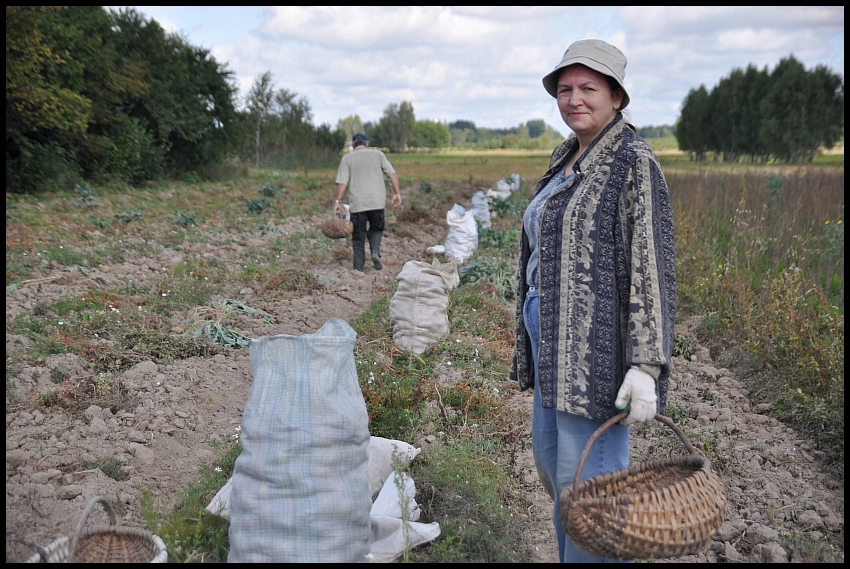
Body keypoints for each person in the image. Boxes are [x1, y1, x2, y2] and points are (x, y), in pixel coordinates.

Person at [510, 39, 677, 563]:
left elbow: (652, 264)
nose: (574, 99)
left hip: (594, 349)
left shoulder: (633, 161)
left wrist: (647, 366)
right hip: (550, 338)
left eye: (589, 88)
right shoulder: (565, 156)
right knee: (554, 471)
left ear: (617, 97)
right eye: (565, 89)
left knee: (590, 489)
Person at [334, 132, 402, 271]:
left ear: (353, 146)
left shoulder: (347, 158)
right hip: (377, 202)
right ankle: (375, 252)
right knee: (377, 229)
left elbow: (342, 182)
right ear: (367, 144)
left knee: (358, 238)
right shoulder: (378, 155)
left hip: (358, 204)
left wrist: (337, 201)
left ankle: (358, 268)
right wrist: (397, 193)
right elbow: (392, 174)